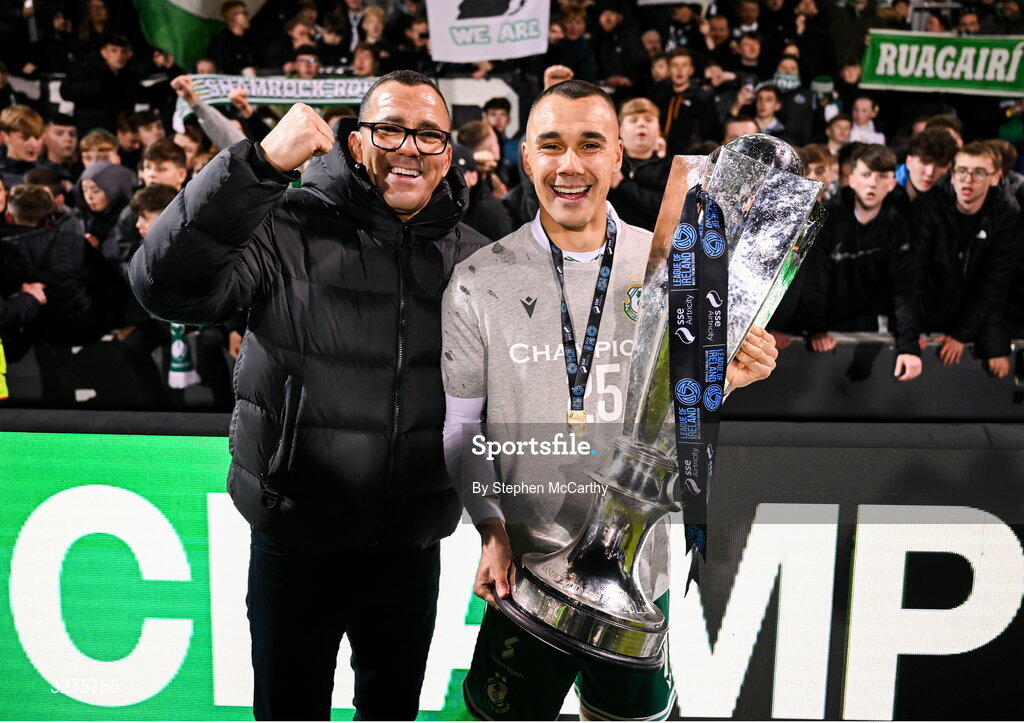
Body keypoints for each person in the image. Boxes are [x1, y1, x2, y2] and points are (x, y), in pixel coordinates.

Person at [128, 70, 488, 720]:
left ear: (447, 153)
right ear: (355, 142)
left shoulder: (476, 255)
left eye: (429, 135)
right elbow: (164, 285)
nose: (410, 147)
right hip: (296, 543)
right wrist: (258, 165)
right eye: (390, 130)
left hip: (410, 549)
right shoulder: (283, 222)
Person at [441, 79, 778, 722]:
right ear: (526, 159)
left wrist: (730, 375)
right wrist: (488, 529)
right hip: (526, 572)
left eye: (590, 145)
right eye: (551, 146)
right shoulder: (478, 279)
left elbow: (677, 408)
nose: (570, 165)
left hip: (635, 574)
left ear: (620, 158)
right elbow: (462, 428)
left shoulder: (673, 265)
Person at [801, 144, 922, 381]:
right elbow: (814, 279)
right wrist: (817, 330)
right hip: (828, 326)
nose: (872, 184)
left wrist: (909, 345)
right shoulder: (825, 217)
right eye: (866, 175)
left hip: (874, 325)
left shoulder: (899, 225)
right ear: (852, 179)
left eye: (882, 177)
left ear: (892, 183)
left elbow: (906, 289)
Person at [913, 141, 1020, 373]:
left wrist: (961, 335)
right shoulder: (928, 205)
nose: (967, 179)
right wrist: (912, 329)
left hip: (976, 314)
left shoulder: (1007, 214)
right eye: (962, 171)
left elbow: (994, 283)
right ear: (952, 175)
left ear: (995, 178)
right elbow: (913, 272)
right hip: (928, 310)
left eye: (979, 172)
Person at [608, 97, 671, 231]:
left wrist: (622, 184)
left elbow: (664, 210)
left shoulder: (669, 166)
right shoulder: (607, 162)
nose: (641, 124)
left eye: (648, 120)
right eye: (633, 120)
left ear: (658, 129)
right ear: (620, 129)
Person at [895, 127, 958, 201]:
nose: (929, 172)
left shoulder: (954, 196)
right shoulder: (886, 190)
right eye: (924, 162)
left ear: (949, 167)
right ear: (908, 162)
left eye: (940, 165)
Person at [207, 1, 259, 75]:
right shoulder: (222, 42)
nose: (248, 17)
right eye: (244, 13)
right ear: (233, 17)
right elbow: (224, 69)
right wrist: (243, 71)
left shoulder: (250, 38)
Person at [0, 105, 44, 187]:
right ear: (4, 137)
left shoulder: (49, 174)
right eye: (25, 137)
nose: (34, 144)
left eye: (37, 137)